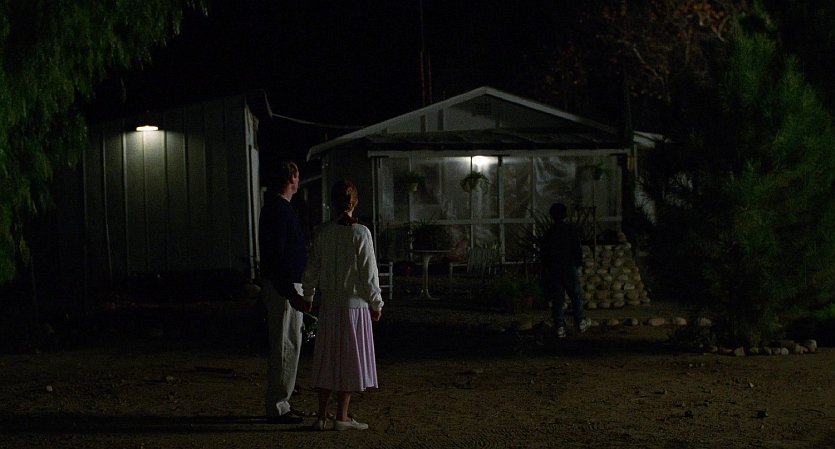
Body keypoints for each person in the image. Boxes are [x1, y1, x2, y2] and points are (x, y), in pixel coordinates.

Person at [302, 180, 383, 431]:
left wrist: (308, 295)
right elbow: (369, 274)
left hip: (330, 306)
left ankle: (321, 415)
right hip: (354, 306)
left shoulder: (323, 232)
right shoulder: (361, 233)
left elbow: (312, 268)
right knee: (348, 360)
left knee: (327, 358)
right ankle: (342, 416)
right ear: (354, 202)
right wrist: (376, 302)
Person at [258, 160, 312, 424]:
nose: (299, 180)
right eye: (297, 176)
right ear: (291, 177)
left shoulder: (279, 209)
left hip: (285, 285)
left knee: (290, 342)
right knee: (285, 343)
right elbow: (276, 257)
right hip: (284, 286)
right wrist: (290, 292)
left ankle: (282, 400)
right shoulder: (278, 210)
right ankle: (278, 405)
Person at [541, 202, 589, 338]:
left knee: (558, 298)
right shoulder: (570, 230)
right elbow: (576, 247)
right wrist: (578, 262)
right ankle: (580, 322)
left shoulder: (549, 232)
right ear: (565, 215)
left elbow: (544, 252)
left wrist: (547, 268)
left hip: (554, 268)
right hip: (568, 266)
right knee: (575, 295)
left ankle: (560, 326)